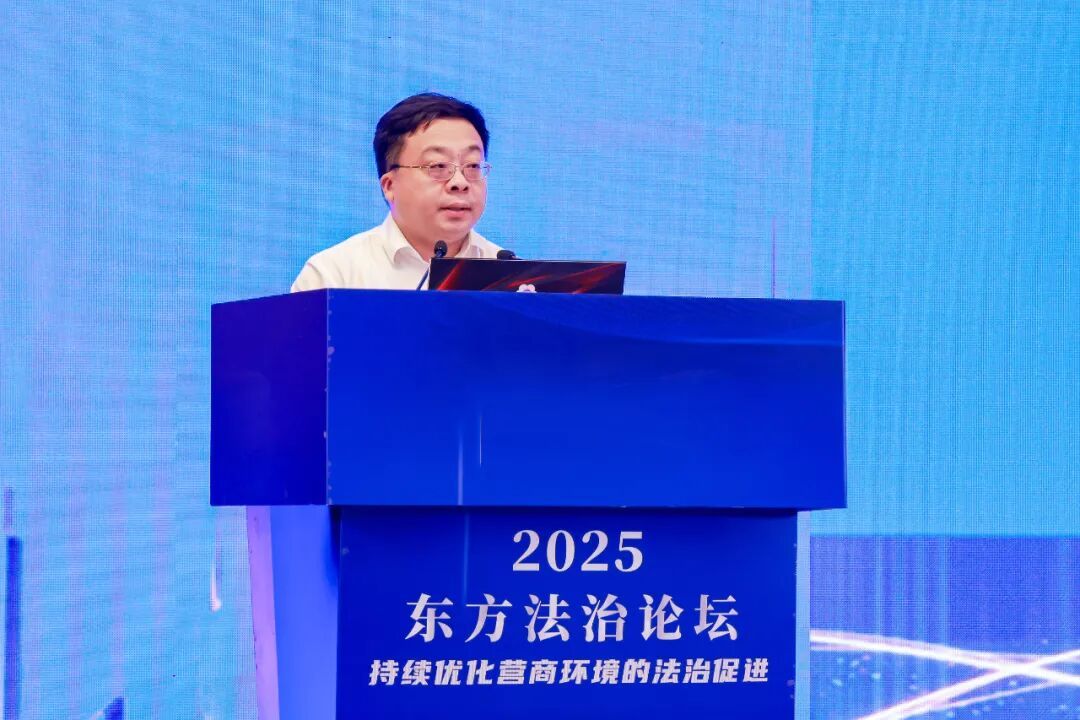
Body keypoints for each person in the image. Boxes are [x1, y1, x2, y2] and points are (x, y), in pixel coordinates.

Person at [291, 93, 501, 291]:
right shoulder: (333, 276)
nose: (460, 182)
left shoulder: (509, 275)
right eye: (438, 166)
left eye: (473, 166)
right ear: (389, 186)